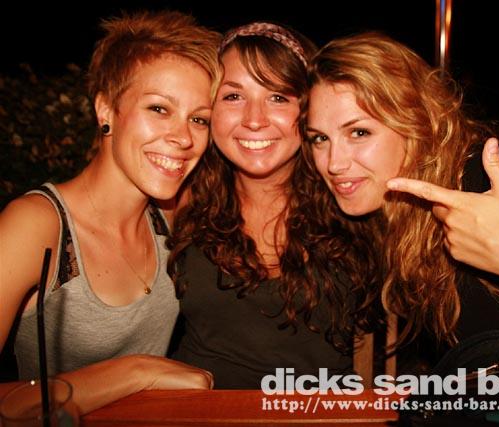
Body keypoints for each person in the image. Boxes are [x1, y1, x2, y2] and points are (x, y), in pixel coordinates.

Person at [0, 10, 221, 413]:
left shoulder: (171, 214)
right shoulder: (35, 225)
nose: (184, 137)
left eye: (199, 119)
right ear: (106, 110)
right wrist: (137, 371)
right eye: (159, 109)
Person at [302, 31, 499, 354]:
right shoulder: (388, 212)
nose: (334, 163)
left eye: (359, 132)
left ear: (416, 123)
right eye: (320, 138)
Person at [168, 22, 380, 389]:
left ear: (309, 108)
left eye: (278, 97)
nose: (254, 120)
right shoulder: (179, 198)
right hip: (198, 409)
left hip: (319, 411)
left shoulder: (355, 199)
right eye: (233, 96)